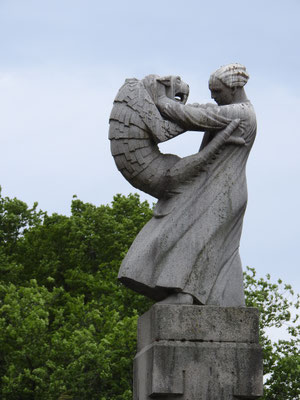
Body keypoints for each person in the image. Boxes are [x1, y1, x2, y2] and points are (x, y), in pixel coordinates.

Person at [118, 64, 257, 307]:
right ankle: (230, 303)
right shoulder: (229, 111)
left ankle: (183, 294)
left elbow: (194, 117)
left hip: (223, 191)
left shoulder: (241, 113)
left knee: (194, 239)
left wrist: (160, 100)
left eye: (217, 90)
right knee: (219, 246)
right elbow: (200, 111)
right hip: (216, 188)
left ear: (234, 88)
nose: (213, 96)